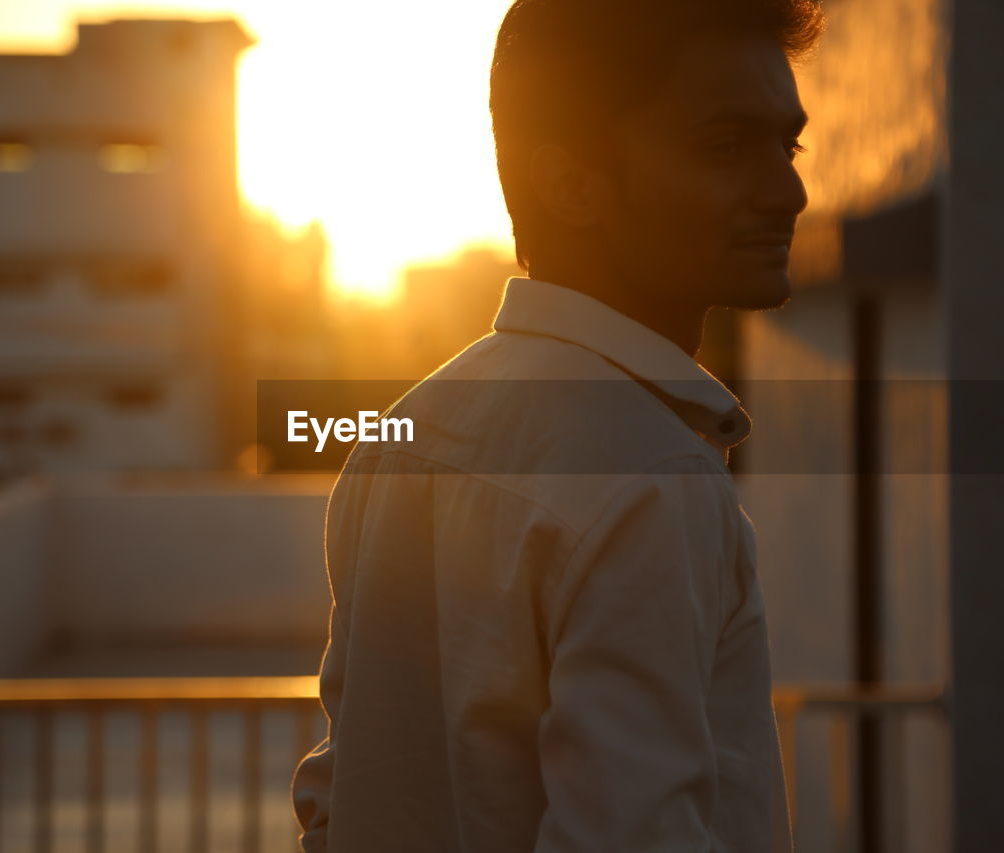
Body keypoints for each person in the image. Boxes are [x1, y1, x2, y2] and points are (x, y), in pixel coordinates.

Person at [291, 0, 823, 849]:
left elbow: (338, 796)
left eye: (787, 144)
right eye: (725, 146)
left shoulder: (405, 431)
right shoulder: (652, 473)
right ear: (571, 182)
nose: (788, 189)